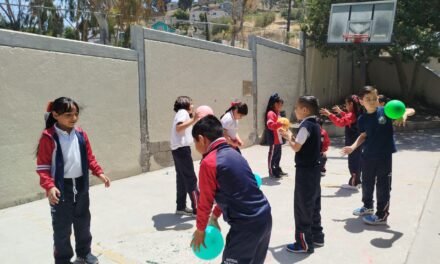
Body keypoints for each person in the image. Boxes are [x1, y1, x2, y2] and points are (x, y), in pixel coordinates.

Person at [36, 97, 111, 264]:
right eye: (68, 114)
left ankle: (84, 254)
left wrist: (99, 172)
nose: (74, 118)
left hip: (81, 186)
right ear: (55, 114)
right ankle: (63, 260)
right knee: (62, 229)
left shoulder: (81, 134)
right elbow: (42, 167)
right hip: (61, 188)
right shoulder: (49, 137)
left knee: (83, 223)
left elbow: (89, 157)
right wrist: (49, 186)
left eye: (76, 114)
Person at [191, 115, 272, 264]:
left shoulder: (209, 163)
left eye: (195, 142)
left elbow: (205, 201)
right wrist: (215, 216)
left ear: (202, 139)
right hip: (264, 218)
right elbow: (235, 191)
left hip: (246, 227)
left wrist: (200, 230)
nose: (195, 147)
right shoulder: (234, 154)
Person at [342, 86, 415, 225]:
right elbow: (363, 136)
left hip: (383, 156)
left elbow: (410, 110)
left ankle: (382, 214)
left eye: (375, 98)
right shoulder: (362, 119)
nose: (372, 101)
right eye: (368, 99)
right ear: (361, 102)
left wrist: (404, 114)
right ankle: (367, 206)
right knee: (367, 183)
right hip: (367, 155)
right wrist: (352, 147)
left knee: (383, 185)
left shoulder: (385, 111)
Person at [282, 95, 324, 254]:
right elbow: (302, 142)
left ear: (305, 110)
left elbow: (297, 147)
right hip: (314, 170)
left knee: (302, 206)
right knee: (313, 203)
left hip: (305, 171)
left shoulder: (305, 125)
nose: (295, 111)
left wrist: (287, 137)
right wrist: (291, 136)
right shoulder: (315, 124)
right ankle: (317, 236)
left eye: (297, 108)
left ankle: (303, 243)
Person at [320, 95, 363, 189]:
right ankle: (358, 181)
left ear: (351, 104)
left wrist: (329, 114)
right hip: (357, 141)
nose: (346, 106)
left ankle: (354, 183)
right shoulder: (356, 113)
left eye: (346, 104)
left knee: (353, 161)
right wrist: (340, 112)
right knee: (358, 160)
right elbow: (348, 118)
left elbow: (340, 122)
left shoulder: (351, 114)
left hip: (352, 142)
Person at [170, 96, 200, 217]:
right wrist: (194, 119)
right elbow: (179, 127)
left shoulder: (180, 113)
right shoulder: (183, 112)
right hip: (181, 150)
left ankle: (181, 207)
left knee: (182, 179)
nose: (192, 106)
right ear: (185, 104)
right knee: (191, 179)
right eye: (191, 103)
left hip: (177, 149)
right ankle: (198, 209)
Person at [265, 93, 287, 178]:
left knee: (278, 155)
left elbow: (280, 125)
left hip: (279, 139)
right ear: (275, 104)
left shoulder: (277, 113)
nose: (281, 106)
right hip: (274, 139)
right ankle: (271, 170)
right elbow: (270, 125)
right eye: (280, 104)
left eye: (281, 104)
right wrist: (280, 123)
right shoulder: (271, 113)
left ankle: (277, 168)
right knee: (272, 155)